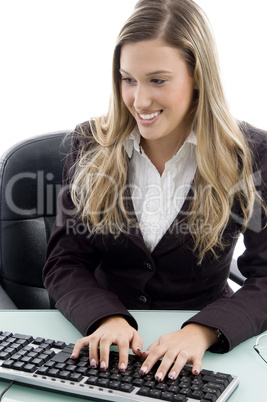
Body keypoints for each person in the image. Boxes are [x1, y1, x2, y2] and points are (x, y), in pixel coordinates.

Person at [43, 0, 267, 383]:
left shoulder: (252, 154)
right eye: (128, 79)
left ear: (198, 76)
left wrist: (201, 332)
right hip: (107, 342)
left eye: (157, 80)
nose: (139, 101)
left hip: (204, 345)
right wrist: (106, 317)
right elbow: (66, 262)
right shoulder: (91, 143)